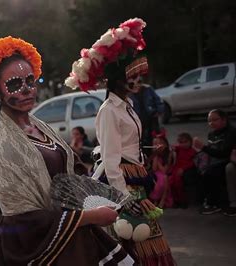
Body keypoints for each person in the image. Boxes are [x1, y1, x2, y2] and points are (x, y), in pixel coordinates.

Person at [0, 36, 132, 265]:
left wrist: (100, 191)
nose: (26, 90)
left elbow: (69, 169)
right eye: (14, 84)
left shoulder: (38, 125)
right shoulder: (4, 143)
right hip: (42, 247)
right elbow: (21, 219)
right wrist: (89, 216)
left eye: (31, 81)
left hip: (73, 232)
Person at [67, 19, 174, 264]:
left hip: (136, 178)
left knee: (147, 238)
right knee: (133, 240)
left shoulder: (129, 106)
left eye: (139, 77)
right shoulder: (108, 111)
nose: (138, 82)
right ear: (117, 80)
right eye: (132, 77)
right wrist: (124, 200)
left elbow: (129, 146)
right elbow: (111, 158)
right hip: (122, 184)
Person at [193, 109, 236, 215]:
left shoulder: (232, 133)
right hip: (214, 162)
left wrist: (203, 147)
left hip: (228, 161)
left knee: (212, 172)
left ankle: (214, 203)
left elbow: (224, 153)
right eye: (209, 121)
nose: (211, 123)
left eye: (214, 120)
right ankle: (207, 201)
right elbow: (211, 152)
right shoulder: (212, 134)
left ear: (224, 120)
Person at [170, 133, 197, 208]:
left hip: (182, 168)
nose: (184, 144)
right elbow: (174, 147)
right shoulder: (179, 148)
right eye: (181, 142)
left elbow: (192, 163)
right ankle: (176, 200)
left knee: (179, 184)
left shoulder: (192, 151)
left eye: (186, 142)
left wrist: (183, 169)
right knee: (171, 182)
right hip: (176, 168)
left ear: (190, 142)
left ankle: (182, 200)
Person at [148, 135, 174, 208]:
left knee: (163, 178)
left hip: (166, 173)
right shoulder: (155, 154)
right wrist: (156, 155)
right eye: (155, 144)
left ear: (165, 144)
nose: (157, 146)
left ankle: (162, 199)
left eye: (159, 143)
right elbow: (154, 169)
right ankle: (156, 200)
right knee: (156, 179)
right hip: (157, 173)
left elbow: (164, 170)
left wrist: (159, 161)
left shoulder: (169, 153)